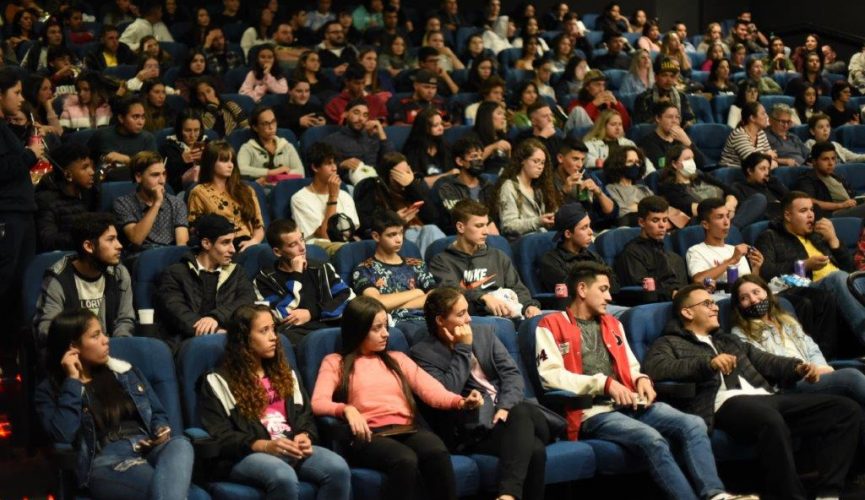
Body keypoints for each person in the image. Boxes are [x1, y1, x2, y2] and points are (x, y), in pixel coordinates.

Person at [535, 263, 749, 500]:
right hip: (592, 412)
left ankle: (715, 494)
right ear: (582, 289)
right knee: (652, 439)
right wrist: (604, 384)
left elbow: (632, 366)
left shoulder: (613, 324)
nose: (609, 297)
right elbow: (551, 376)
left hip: (632, 403)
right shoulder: (550, 325)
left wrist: (641, 379)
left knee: (693, 424)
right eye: (603, 289)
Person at [643, 284, 862, 500]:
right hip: (724, 404)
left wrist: (798, 367)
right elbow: (655, 367)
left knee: (845, 410)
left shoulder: (728, 340)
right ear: (687, 312)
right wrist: (708, 363)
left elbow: (766, 360)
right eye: (707, 303)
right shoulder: (669, 342)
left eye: (714, 303)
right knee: (769, 419)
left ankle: (828, 492)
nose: (716, 307)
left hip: (766, 397)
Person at [311, 296, 483, 500]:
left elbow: (432, 390)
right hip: (368, 435)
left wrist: (460, 401)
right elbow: (318, 402)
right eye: (377, 328)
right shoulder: (335, 362)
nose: (386, 333)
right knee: (404, 459)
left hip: (405, 429)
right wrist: (346, 409)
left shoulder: (397, 359)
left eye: (386, 326)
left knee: (436, 451)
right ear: (358, 329)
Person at [34, 308, 194, 500]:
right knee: (176, 492)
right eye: (95, 336)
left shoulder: (125, 373)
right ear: (73, 347)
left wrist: (160, 430)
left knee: (181, 444)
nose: (106, 340)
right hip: (109, 460)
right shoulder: (52, 390)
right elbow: (63, 435)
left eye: (103, 333)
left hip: (148, 448)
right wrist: (73, 381)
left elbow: (158, 414)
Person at [412, 287, 554, 500]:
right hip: (477, 428)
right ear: (440, 320)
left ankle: (507, 495)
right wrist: (463, 349)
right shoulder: (423, 353)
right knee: (534, 450)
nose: (469, 319)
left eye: (467, 311)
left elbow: (512, 374)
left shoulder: (484, 333)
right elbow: (446, 392)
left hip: (516, 414)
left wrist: (505, 407)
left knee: (520, 411)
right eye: (461, 314)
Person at [197, 303, 351, 499]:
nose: (274, 337)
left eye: (273, 329)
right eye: (264, 331)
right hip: (245, 455)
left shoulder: (285, 373)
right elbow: (220, 435)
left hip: (290, 447)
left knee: (338, 469)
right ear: (244, 338)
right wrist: (262, 445)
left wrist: (305, 435)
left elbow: (304, 415)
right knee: (282, 476)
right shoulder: (218, 381)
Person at [731, 274, 865, 407]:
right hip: (787, 385)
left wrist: (821, 368)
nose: (753, 300)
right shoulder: (740, 332)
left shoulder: (786, 320)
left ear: (766, 292)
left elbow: (812, 348)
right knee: (851, 377)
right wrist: (800, 370)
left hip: (812, 376)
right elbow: (765, 364)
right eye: (744, 298)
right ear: (739, 306)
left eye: (756, 292)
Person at [755, 191, 865, 339]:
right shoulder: (770, 237)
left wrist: (834, 240)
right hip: (808, 287)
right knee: (837, 278)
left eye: (812, 210)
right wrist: (804, 265)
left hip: (844, 282)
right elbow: (766, 272)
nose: (811, 215)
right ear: (788, 215)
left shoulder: (817, 235)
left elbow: (851, 268)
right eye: (803, 211)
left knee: (850, 278)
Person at [34, 212, 135, 350]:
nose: (119, 245)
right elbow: (49, 329)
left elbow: (125, 320)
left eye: (117, 239)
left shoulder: (119, 274)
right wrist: (82, 350)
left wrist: (115, 349)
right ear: (88, 246)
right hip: (73, 352)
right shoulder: (58, 278)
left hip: (109, 350)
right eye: (111, 239)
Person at [156, 213, 256, 346]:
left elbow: (247, 300)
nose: (233, 249)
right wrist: (214, 331)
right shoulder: (176, 273)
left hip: (230, 340)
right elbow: (177, 312)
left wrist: (216, 317)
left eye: (233, 242)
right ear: (206, 243)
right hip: (188, 342)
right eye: (225, 242)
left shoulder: (236, 272)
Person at [430, 199, 541, 319]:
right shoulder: (441, 262)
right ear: (460, 227)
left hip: (508, 314)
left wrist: (529, 306)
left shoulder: (498, 256)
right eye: (479, 226)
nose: (486, 231)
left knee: (543, 319)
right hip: (472, 319)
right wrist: (483, 297)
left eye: (486, 225)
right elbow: (450, 293)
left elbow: (518, 288)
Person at [254, 219, 354, 344]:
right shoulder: (264, 280)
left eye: (301, 239)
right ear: (277, 252)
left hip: (329, 326)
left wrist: (312, 313)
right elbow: (280, 315)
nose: (302, 248)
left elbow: (348, 298)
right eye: (293, 245)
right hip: (297, 335)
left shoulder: (320, 268)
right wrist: (297, 275)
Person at [351, 211, 436, 333]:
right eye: (391, 235)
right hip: (394, 325)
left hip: (428, 318)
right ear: (376, 236)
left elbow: (434, 297)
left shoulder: (417, 264)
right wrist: (417, 292)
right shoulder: (364, 269)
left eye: (401, 233)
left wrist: (394, 307)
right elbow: (376, 303)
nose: (399, 239)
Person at [659, 144, 766, 229]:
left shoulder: (700, 175)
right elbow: (698, 209)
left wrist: (730, 203)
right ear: (674, 164)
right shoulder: (671, 187)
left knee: (759, 198)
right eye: (687, 159)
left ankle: (733, 227)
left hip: (731, 212)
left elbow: (731, 191)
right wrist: (725, 210)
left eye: (693, 158)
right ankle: (732, 229)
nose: (691, 162)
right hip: (711, 220)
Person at [353, 152, 444, 249]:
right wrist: (394, 220)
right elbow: (366, 227)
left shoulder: (416, 185)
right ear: (387, 176)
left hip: (423, 234)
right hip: (396, 237)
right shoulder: (372, 188)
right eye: (399, 174)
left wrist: (411, 186)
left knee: (431, 229)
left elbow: (435, 218)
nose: (404, 178)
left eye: (407, 172)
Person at [187, 141, 264, 252]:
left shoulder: (246, 190)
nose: (230, 165)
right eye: (224, 161)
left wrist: (253, 242)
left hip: (248, 244)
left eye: (232, 161)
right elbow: (194, 229)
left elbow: (258, 225)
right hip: (219, 248)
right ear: (211, 163)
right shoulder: (199, 192)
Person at [112, 151, 188, 259]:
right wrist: (156, 204)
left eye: (164, 174)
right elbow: (136, 239)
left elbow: (181, 245)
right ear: (138, 177)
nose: (162, 181)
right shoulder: (123, 203)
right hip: (141, 258)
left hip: (170, 256)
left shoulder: (176, 203)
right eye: (155, 175)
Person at [290, 142, 360, 255]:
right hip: (319, 249)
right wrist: (332, 198)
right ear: (315, 167)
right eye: (329, 163)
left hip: (346, 247)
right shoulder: (299, 199)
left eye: (335, 163)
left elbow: (350, 232)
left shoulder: (344, 195)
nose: (334, 168)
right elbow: (325, 235)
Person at [614, 196, 688, 302]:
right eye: (655, 220)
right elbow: (641, 292)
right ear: (641, 222)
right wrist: (672, 294)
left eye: (665, 220)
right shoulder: (631, 253)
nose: (662, 225)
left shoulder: (674, 258)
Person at [489, 138, 560, 242]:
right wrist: (538, 221)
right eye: (535, 161)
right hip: (521, 242)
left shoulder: (538, 189)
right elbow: (508, 226)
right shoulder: (509, 186)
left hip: (539, 238)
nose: (540, 167)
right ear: (522, 160)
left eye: (542, 163)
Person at [686, 198, 764, 288]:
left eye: (728, 216)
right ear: (705, 224)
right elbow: (698, 280)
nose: (727, 222)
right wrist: (732, 260)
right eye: (720, 217)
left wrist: (755, 269)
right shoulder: (695, 251)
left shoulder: (735, 250)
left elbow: (749, 287)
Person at [35, 142, 98, 252]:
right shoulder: (45, 200)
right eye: (85, 168)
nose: (92, 172)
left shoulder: (90, 192)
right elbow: (49, 241)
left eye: (91, 166)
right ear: (68, 175)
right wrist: (83, 238)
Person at [539, 203, 613, 293]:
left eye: (589, 226)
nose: (591, 232)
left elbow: (615, 285)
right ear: (568, 234)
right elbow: (573, 291)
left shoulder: (593, 256)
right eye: (584, 228)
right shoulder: (551, 261)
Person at [320, 98, 393, 186]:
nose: (361, 118)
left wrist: (382, 134)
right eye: (356, 113)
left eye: (365, 115)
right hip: (348, 185)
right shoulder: (332, 140)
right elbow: (321, 168)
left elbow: (391, 161)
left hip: (377, 182)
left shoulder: (373, 137)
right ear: (345, 114)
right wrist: (341, 165)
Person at [553, 136, 617, 230]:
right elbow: (550, 217)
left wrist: (598, 192)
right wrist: (564, 191)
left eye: (582, 160)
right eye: (575, 159)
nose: (580, 165)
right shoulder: (549, 179)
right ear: (560, 158)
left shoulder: (587, 175)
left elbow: (611, 212)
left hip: (593, 228)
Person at [795, 142, 865, 219]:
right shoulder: (807, 179)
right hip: (832, 215)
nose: (831, 163)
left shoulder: (837, 176)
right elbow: (808, 201)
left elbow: (852, 196)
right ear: (814, 161)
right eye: (825, 159)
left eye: (833, 159)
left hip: (850, 209)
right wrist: (840, 205)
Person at [238, 106, 304, 186]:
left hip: (285, 187)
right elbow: (240, 169)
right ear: (255, 128)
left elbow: (301, 172)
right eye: (266, 124)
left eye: (273, 122)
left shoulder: (287, 146)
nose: (271, 127)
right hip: (261, 189)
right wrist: (270, 172)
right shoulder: (248, 148)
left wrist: (279, 177)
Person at [638, 102, 708, 171]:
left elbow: (702, 164)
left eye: (677, 117)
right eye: (670, 117)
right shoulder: (648, 142)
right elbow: (662, 167)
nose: (675, 121)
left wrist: (689, 143)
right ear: (658, 119)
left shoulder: (682, 138)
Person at [633, 57, 695, 127]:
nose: (669, 80)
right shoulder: (643, 98)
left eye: (672, 76)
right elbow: (641, 126)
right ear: (656, 77)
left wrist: (687, 124)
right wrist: (657, 105)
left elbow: (691, 118)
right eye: (664, 75)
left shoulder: (681, 96)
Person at [402, 107, 456, 186]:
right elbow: (417, 183)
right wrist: (447, 175)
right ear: (424, 128)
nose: (441, 128)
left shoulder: (446, 146)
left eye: (441, 124)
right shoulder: (412, 150)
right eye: (436, 125)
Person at [603, 146, 655, 226]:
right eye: (630, 161)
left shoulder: (643, 188)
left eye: (637, 162)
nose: (635, 165)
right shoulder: (611, 188)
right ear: (619, 164)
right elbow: (621, 213)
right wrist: (646, 209)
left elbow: (658, 207)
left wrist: (635, 207)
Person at [730, 152, 788, 220]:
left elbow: (791, 200)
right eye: (762, 169)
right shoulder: (739, 187)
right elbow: (745, 212)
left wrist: (776, 184)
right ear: (750, 171)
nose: (767, 173)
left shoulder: (771, 184)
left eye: (768, 169)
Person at [719, 102, 778, 169]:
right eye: (763, 113)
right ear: (752, 118)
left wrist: (768, 158)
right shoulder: (738, 134)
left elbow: (772, 158)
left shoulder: (761, 134)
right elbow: (752, 160)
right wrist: (767, 155)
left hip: (754, 170)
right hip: (732, 171)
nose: (767, 116)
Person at [159, 110, 207, 193]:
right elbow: (166, 179)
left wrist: (206, 158)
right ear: (180, 130)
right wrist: (181, 160)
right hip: (181, 191)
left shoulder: (208, 144)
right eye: (188, 130)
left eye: (196, 130)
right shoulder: (168, 147)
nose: (192, 135)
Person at [567, 69, 631, 129]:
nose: (601, 89)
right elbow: (577, 126)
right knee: (578, 110)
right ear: (587, 87)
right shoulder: (576, 104)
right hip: (587, 135)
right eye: (597, 85)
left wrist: (616, 104)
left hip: (608, 135)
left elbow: (626, 125)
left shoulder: (609, 104)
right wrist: (593, 104)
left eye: (603, 85)